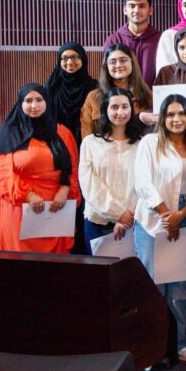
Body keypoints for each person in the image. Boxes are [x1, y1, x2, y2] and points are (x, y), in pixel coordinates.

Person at [134, 94, 186, 364]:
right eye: (170, 114)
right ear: (162, 118)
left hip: (184, 219)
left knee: (177, 288)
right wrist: (167, 214)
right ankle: (150, 348)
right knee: (153, 286)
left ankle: (180, 343)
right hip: (153, 220)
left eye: (181, 114)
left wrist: (181, 216)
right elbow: (141, 182)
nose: (176, 119)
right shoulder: (149, 143)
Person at [0, 83, 80, 253]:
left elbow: (73, 169)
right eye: (28, 101)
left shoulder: (62, 133)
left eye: (39, 100)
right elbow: (1, 175)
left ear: (47, 102)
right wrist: (28, 195)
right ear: (20, 104)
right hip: (21, 210)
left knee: (57, 269)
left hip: (56, 210)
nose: (34, 105)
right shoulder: (9, 134)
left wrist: (65, 189)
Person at [78, 88, 143, 253]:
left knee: (131, 276)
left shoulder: (141, 145)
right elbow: (89, 184)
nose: (120, 112)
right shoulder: (90, 143)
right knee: (100, 276)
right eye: (114, 107)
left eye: (124, 106)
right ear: (105, 110)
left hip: (132, 221)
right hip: (97, 222)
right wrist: (118, 213)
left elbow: (144, 183)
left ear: (131, 109)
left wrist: (127, 216)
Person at [81, 44, 156, 138]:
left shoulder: (149, 97)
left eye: (123, 60)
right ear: (106, 66)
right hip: (103, 151)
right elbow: (87, 136)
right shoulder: (94, 97)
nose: (118, 65)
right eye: (112, 62)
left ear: (132, 63)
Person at [104, 0, 162, 86]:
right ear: (125, 10)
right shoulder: (113, 40)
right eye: (132, 6)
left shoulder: (161, 39)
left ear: (150, 10)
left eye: (142, 6)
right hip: (122, 97)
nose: (136, 10)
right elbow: (107, 75)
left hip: (153, 98)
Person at [45, 42, 97, 143]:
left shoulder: (94, 87)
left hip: (87, 141)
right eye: (64, 58)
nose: (69, 62)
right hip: (58, 143)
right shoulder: (52, 87)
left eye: (74, 57)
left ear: (83, 59)